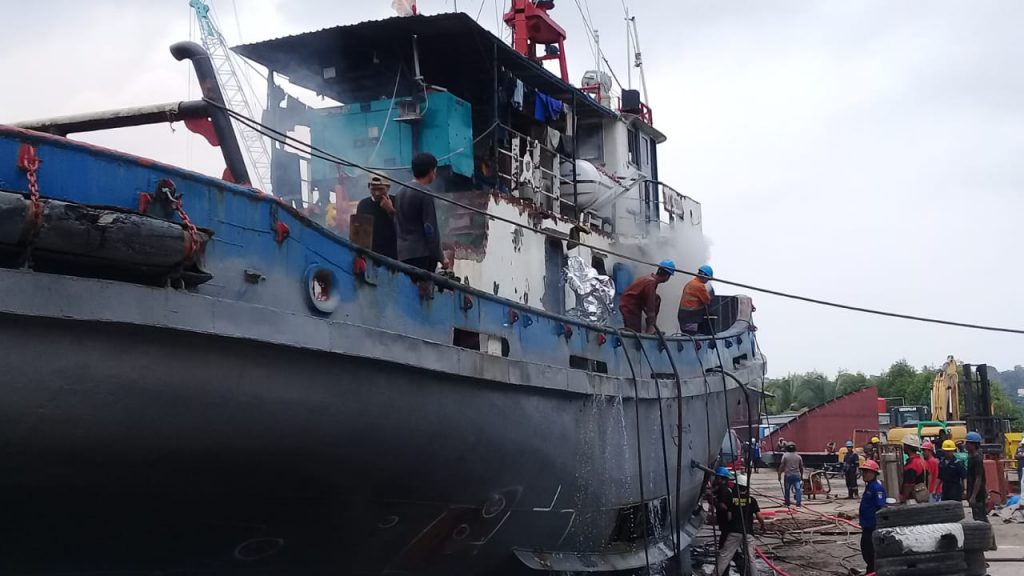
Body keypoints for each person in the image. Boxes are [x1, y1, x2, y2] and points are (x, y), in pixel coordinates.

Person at [395, 152, 451, 274]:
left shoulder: (400, 192)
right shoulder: (425, 193)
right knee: (423, 285)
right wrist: (441, 257)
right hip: (422, 255)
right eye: (435, 170)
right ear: (431, 171)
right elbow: (430, 229)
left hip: (403, 254)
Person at [715, 473, 765, 576]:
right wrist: (763, 526)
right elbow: (759, 516)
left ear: (736, 486)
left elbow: (728, 516)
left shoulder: (732, 499)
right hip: (748, 533)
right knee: (750, 558)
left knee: (724, 555)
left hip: (734, 532)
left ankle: (716, 574)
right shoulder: (752, 500)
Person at [618, 261, 674, 334]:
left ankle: (650, 328)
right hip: (629, 306)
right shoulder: (651, 283)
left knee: (657, 299)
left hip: (633, 303)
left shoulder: (650, 279)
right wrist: (651, 322)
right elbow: (650, 305)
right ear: (667, 276)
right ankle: (650, 329)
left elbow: (651, 301)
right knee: (634, 332)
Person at [355, 174, 398, 259]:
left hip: (393, 252)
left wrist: (390, 210)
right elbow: (359, 234)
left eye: (380, 189)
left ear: (388, 187)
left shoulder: (396, 201)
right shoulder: (363, 205)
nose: (377, 193)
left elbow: (405, 227)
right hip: (371, 254)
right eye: (373, 189)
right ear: (369, 187)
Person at [858, 459, 887, 575]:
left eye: (867, 472)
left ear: (874, 473)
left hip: (872, 527)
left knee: (870, 552)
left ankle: (873, 571)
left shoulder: (877, 488)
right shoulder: (869, 487)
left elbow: (881, 507)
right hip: (867, 525)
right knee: (866, 550)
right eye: (863, 471)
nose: (864, 474)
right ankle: (871, 570)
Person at [678, 264, 714, 335]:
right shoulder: (700, 286)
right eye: (708, 279)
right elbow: (707, 301)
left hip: (683, 317)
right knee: (692, 337)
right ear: (704, 277)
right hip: (691, 318)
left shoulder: (691, 283)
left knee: (686, 335)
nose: (707, 281)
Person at [965, 431, 988, 522]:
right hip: (974, 492)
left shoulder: (977, 459)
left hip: (978, 494)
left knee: (980, 518)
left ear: (974, 445)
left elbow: (979, 478)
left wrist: (973, 496)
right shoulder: (971, 457)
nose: (966, 445)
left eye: (968, 443)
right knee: (977, 517)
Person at [900, 434, 927, 503]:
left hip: (912, 499)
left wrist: (903, 498)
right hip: (922, 496)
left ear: (908, 446)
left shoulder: (912, 464)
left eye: (904, 445)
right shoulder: (921, 460)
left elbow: (909, 485)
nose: (903, 447)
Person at [778, 442, 804, 507]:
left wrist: (779, 474)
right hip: (797, 475)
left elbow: (782, 466)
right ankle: (798, 503)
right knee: (798, 489)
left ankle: (787, 503)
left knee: (787, 489)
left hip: (788, 475)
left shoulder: (785, 456)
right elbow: (801, 467)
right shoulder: (798, 456)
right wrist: (801, 476)